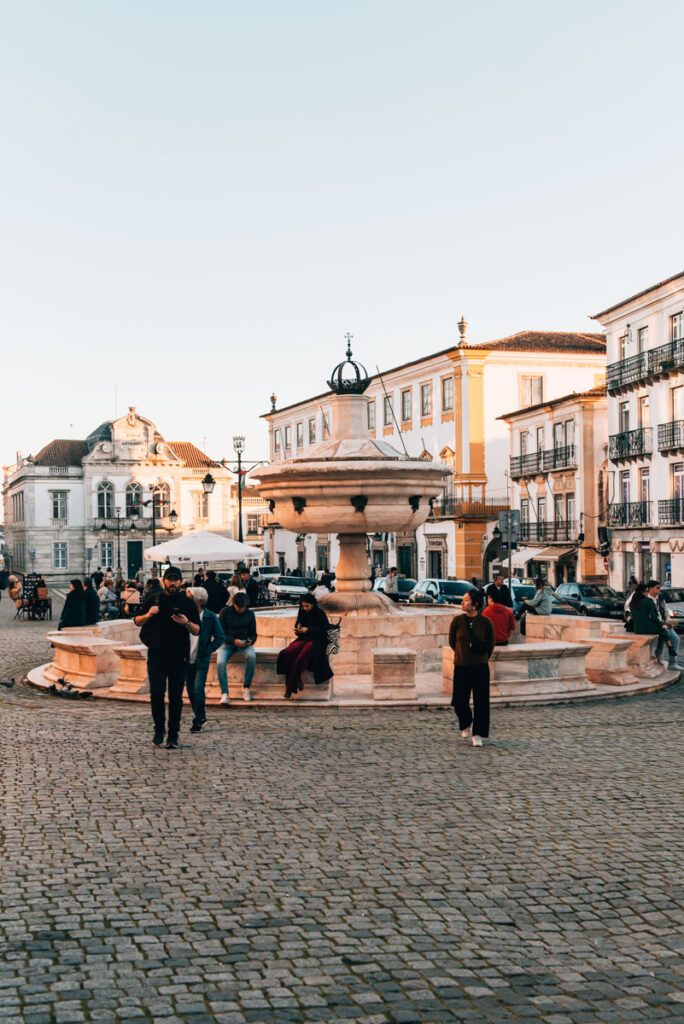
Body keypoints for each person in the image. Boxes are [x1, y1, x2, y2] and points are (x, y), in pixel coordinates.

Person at [134, 566, 200, 749]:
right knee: (156, 694)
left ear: (180, 582)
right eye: (170, 579)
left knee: (176, 698)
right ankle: (158, 731)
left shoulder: (187, 602)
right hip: (157, 654)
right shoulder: (153, 598)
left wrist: (186, 623)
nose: (173, 583)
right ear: (164, 581)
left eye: (176, 580)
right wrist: (149, 614)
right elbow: (137, 621)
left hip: (179, 656)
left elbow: (197, 630)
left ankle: (173, 735)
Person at [449, 589, 495, 747]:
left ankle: (477, 734)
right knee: (458, 701)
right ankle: (466, 721)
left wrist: (481, 658)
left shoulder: (485, 622)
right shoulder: (457, 621)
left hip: (480, 667)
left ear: (475, 604)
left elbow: (490, 644)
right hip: (461, 666)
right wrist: (462, 654)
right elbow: (452, 642)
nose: (462, 602)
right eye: (463, 599)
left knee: (481, 702)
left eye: (466, 600)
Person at [276, 593, 333, 698]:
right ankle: (298, 680)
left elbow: (325, 631)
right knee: (286, 653)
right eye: (303, 606)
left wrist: (308, 630)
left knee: (300, 658)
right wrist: (298, 630)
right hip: (304, 638)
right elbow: (298, 627)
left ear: (313, 604)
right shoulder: (302, 611)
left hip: (317, 641)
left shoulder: (320, 613)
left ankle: (289, 689)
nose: (305, 608)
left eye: (307, 606)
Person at [185, 587, 225, 732]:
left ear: (199, 601)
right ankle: (200, 716)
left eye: (190, 598)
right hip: (185, 658)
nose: (187, 600)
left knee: (198, 689)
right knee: (190, 690)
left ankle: (199, 719)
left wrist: (209, 649)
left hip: (201, 657)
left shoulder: (210, 617)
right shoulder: (184, 615)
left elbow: (220, 636)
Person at [217, 593, 258, 703]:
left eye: (243, 607)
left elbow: (254, 633)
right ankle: (224, 692)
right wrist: (233, 641)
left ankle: (246, 687)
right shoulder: (225, 612)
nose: (241, 610)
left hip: (244, 643)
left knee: (252, 656)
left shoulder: (250, 614)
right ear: (234, 604)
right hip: (227, 643)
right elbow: (220, 633)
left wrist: (251, 641)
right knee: (220, 662)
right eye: (239, 607)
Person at [630, 581, 675, 665]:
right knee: (663, 630)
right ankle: (666, 649)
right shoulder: (648, 601)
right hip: (647, 628)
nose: (648, 593)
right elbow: (654, 617)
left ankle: (670, 647)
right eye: (647, 591)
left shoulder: (632, 603)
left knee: (663, 629)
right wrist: (662, 625)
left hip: (637, 628)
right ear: (642, 592)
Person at [647, 580, 680, 667]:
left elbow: (665, 611)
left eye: (659, 588)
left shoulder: (661, 598)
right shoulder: (646, 599)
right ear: (650, 588)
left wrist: (668, 620)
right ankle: (659, 654)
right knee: (663, 635)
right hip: (654, 624)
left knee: (675, 638)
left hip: (664, 624)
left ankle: (672, 663)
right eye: (657, 588)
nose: (659, 590)